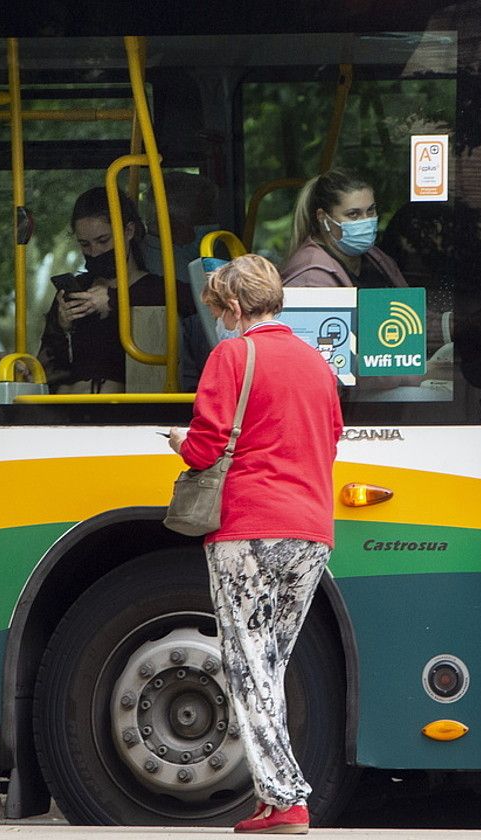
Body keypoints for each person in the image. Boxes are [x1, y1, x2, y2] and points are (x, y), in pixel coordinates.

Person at [167, 255, 342, 835]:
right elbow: (331, 435)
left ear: (235, 308)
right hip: (311, 532)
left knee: (250, 667)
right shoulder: (317, 363)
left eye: (218, 309)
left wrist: (179, 441)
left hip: (247, 530)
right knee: (270, 665)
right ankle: (273, 799)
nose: (218, 320)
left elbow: (205, 446)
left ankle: (288, 800)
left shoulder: (232, 355)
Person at [41, 187, 195, 394]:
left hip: (127, 412)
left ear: (129, 231)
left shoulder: (157, 289)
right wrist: (61, 327)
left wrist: (116, 301)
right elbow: (48, 367)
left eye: (103, 241)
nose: (94, 252)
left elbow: (201, 301)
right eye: (85, 245)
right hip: (72, 410)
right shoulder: (76, 292)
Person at [280, 168, 408, 288]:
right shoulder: (311, 279)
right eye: (353, 214)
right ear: (323, 217)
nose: (366, 221)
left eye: (370, 211)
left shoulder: (375, 257)